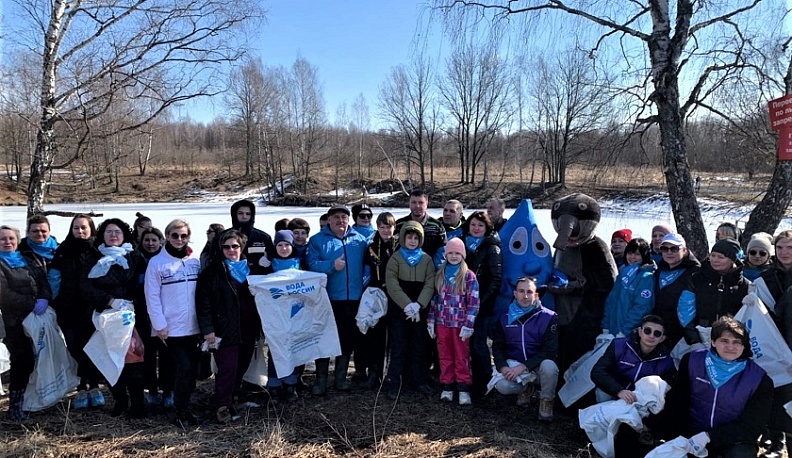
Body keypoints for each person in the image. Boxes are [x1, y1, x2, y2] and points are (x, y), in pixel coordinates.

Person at [655, 316, 773, 458]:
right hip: (692, 434)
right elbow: (677, 402)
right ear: (713, 342)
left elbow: (751, 426)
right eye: (724, 341)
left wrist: (709, 436)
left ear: (744, 346)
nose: (730, 347)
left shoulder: (759, 379)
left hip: (732, 441)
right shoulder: (692, 361)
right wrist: (670, 435)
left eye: (737, 342)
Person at [81, 218, 146, 418]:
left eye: (117, 232)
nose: (113, 235)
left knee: (133, 360)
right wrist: (109, 300)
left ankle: (137, 404)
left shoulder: (135, 257)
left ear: (124, 235)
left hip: (131, 315)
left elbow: (144, 282)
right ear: (102, 235)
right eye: (109, 232)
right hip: (104, 316)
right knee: (110, 359)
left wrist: (133, 300)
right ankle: (119, 401)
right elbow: (85, 285)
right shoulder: (92, 258)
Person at [548, 193, 617, 374]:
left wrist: (573, 286)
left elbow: (606, 281)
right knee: (561, 355)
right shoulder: (564, 247)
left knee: (579, 359)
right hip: (562, 313)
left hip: (585, 316)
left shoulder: (595, 248)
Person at [197, 229, 261, 422]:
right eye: (226, 247)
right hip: (223, 328)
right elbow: (203, 303)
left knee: (241, 366)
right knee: (227, 368)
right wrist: (208, 330)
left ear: (242, 247)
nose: (231, 250)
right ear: (220, 248)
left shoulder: (252, 270)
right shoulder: (212, 272)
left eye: (235, 246)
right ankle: (222, 406)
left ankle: (233, 397)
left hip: (248, 327)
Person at [306, 205, 369, 395]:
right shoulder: (317, 240)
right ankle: (321, 380)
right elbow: (312, 265)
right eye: (336, 217)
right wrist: (332, 265)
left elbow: (368, 263)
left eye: (344, 217)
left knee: (347, 339)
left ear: (349, 220)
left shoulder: (359, 240)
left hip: (354, 298)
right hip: (328, 299)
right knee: (324, 339)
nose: (340, 220)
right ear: (329, 220)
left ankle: (340, 378)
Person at [145, 219, 202, 426]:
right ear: (167, 237)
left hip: (194, 325)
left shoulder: (194, 260)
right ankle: (180, 410)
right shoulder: (157, 263)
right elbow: (151, 296)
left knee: (191, 369)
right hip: (171, 327)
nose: (179, 239)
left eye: (184, 236)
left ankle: (185, 406)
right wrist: (159, 324)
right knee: (183, 367)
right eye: (175, 235)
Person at [48, 214, 102, 410]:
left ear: (91, 229)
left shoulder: (98, 251)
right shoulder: (63, 251)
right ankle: (81, 386)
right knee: (74, 347)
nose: (80, 231)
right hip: (68, 308)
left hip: (92, 308)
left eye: (83, 228)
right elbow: (54, 278)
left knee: (92, 347)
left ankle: (94, 386)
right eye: (76, 228)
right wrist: (53, 301)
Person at [0, 225, 52, 421]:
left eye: (11, 238)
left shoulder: (26, 259)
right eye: (2, 239)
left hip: (35, 320)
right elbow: (4, 294)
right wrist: (31, 304)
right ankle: (14, 407)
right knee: (21, 360)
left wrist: (45, 298)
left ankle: (31, 401)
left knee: (35, 360)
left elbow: (43, 281)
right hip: (12, 322)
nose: (7, 242)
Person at [491, 277, 558, 422]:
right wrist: (503, 368)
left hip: (536, 368)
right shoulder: (504, 317)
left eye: (529, 292)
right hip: (514, 368)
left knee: (550, 366)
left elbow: (549, 351)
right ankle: (526, 390)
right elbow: (498, 347)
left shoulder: (548, 317)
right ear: (515, 294)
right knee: (502, 386)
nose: (525, 296)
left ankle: (546, 400)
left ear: (536, 295)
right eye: (521, 291)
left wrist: (524, 367)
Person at [384, 221, 437, 400]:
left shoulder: (427, 260)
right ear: (403, 238)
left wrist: (418, 304)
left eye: (416, 238)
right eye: (409, 237)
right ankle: (394, 382)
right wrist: (406, 304)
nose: (412, 241)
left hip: (420, 307)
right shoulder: (396, 258)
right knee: (398, 344)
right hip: (400, 308)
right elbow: (392, 283)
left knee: (419, 344)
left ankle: (419, 379)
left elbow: (431, 283)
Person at [753, 230, 792, 457]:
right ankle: (774, 442)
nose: (785, 252)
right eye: (780, 248)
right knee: (775, 392)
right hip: (771, 344)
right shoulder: (766, 277)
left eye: (790, 248)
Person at [427, 237, 479, 405]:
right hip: (443, 322)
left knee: (461, 355)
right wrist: (430, 320)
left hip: (460, 324)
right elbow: (434, 299)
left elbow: (474, 302)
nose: (454, 256)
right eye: (451, 253)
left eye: (457, 253)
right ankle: (447, 386)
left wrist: (469, 325)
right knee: (445, 355)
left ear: (463, 255)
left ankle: (463, 387)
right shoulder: (440, 274)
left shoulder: (468, 276)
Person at [678, 238, 749, 346]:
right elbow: (684, 310)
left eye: (721, 257)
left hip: (730, 342)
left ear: (732, 260)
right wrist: (694, 339)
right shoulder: (696, 279)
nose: (715, 260)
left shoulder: (744, 285)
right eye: (713, 255)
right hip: (698, 337)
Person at [462, 210, 502, 398]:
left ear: (487, 228)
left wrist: (479, 302)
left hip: (482, 306)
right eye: (473, 225)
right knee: (466, 343)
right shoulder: (464, 245)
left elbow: (496, 278)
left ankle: (484, 380)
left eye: (480, 225)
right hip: (462, 304)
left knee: (479, 343)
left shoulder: (492, 247)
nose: (476, 228)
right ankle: (469, 378)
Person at [591, 315, 675, 404]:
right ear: (640, 331)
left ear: (662, 338)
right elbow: (597, 372)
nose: (651, 336)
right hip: (613, 392)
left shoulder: (666, 360)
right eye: (647, 331)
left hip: (639, 400)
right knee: (603, 393)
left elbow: (669, 384)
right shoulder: (619, 345)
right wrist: (619, 391)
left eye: (657, 333)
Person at [134, 227, 175, 409]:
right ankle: (151, 390)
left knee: (167, 356)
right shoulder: (135, 261)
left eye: (154, 240)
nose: (150, 243)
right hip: (142, 316)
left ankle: (168, 390)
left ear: (161, 242)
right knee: (147, 356)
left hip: (165, 315)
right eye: (147, 240)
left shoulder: (166, 261)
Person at [359, 212, 397, 388]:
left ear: (394, 227)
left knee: (395, 336)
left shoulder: (400, 245)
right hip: (377, 295)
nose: (385, 230)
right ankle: (374, 372)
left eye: (388, 227)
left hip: (397, 295)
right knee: (376, 335)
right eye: (381, 227)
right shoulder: (372, 247)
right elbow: (367, 272)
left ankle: (392, 373)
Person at [263, 230, 302, 403]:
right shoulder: (267, 264)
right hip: (273, 315)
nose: (284, 248)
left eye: (287, 244)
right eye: (280, 245)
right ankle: (274, 386)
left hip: (295, 314)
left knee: (293, 349)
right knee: (275, 351)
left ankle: (290, 385)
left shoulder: (300, 263)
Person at [651, 233, 701, 346]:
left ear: (684, 250)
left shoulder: (695, 273)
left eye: (674, 248)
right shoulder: (659, 271)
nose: (669, 252)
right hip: (658, 331)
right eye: (665, 249)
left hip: (683, 334)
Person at [601, 238, 656, 337]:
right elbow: (611, 301)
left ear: (644, 256)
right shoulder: (623, 274)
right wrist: (606, 326)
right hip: (613, 330)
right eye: (630, 253)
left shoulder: (646, 277)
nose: (632, 257)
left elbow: (641, 308)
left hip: (629, 332)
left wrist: (625, 330)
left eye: (637, 254)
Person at [218, 199, 275, 275]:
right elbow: (214, 260)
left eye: (248, 214)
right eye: (240, 213)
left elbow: (274, 257)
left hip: (256, 280)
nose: (244, 216)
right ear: (234, 214)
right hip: (229, 280)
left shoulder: (263, 237)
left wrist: (269, 260)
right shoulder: (222, 237)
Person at [395, 189, 447, 261]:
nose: (417, 206)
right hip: (404, 268)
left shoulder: (436, 226)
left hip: (430, 268)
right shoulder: (400, 224)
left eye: (421, 203)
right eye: (413, 202)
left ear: (427, 204)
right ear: (409, 203)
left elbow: (442, 252)